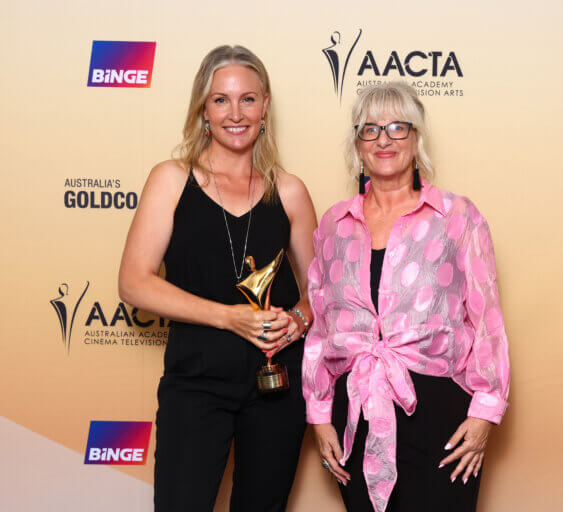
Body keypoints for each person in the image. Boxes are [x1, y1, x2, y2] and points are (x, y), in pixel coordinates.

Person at [118, 45, 317, 512]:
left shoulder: (289, 190)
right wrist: (229, 318)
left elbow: (319, 293)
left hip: (276, 387)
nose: (235, 113)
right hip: (195, 383)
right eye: (221, 100)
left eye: (248, 99)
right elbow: (133, 282)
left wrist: (299, 319)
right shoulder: (171, 179)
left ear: (265, 106)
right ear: (202, 109)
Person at [302, 82, 510, 512]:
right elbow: (322, 327)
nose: (384, 139)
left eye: (398, 127)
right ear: (356, 145)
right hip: (356, 409)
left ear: (416, 140)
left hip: (440, 412)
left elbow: (486, 319)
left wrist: (485, 412)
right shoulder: (333, 225)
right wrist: (320, 414)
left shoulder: (457, 217)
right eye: (370, 129)